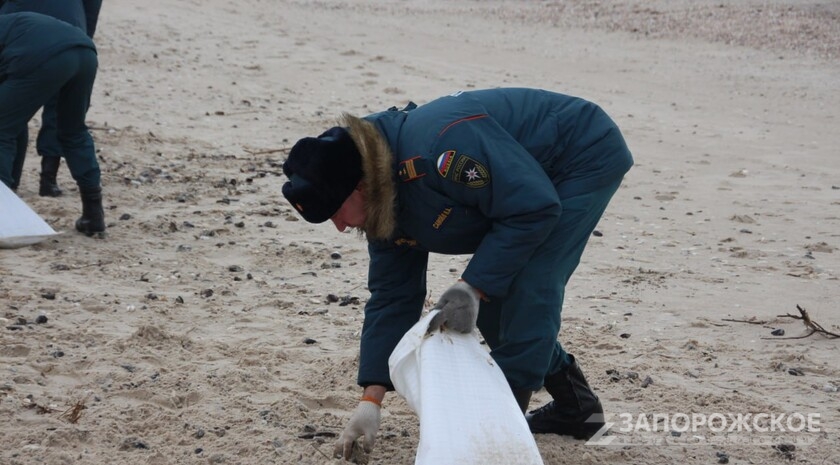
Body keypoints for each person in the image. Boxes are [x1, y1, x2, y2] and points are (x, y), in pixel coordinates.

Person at [281, 88, 634, 459]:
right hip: (519, 186)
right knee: (493, 296)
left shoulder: (440, 153)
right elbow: (392, 296)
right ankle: (576, 410)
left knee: (525, 288)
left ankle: (500, 438)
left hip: (577, 154)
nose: (339, 228)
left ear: (359, 185)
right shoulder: (378, 198)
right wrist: (371, 399)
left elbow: (533, 208)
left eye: (336, 213)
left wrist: (472, 285)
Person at [0, 11, 105, 235]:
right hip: (84, 51)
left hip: (42, 54)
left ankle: (4, 211)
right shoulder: (11, 24)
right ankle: (93, 215)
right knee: (73, 131)